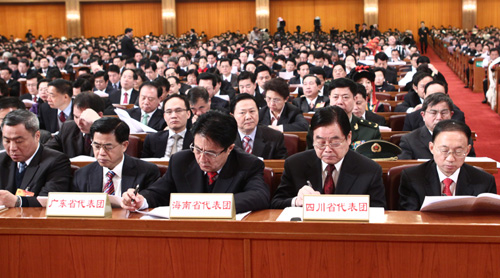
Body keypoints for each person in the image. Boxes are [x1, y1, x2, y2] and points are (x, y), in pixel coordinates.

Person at [121, 110, 270, 213]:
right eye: (198, 149)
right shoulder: (181, 161)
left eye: (211, 153)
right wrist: (141, 200)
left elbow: (259, 196)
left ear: (230, 148)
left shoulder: (248, 164)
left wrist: (206, 206)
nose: (202, 158)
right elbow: (159, 192)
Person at [271, 106, 386, 209]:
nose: (327, 149)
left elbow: (379, 212)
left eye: (335, 143)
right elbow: (276, 203)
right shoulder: (295, 164)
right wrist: (296, 201)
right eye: (320, 143)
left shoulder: (370, 169)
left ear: (348, 137)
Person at [399, 120, 496, 211]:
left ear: (467, 150)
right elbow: (409, 218)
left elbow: (487, 221)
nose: (450, 159)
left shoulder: (485, 182)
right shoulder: (412, 178)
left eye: (458, 151)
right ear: (432, 148)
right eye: (444, 150)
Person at [0, 109, 71, 207]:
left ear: (37, 136)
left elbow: (50, 201)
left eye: (19, 141)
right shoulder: (2, 159)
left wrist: (18, 201)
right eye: (7, 141)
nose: (12, 148)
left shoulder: (56, 161)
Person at [73, 117, 160, 195]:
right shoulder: (81, 175)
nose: (101, 152)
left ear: (124, 145)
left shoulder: (147, 172)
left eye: (108, 147)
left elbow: (151, 204)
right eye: (97, 146)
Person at [44, 92, 105, 158]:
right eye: (76, 117)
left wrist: (98, 123)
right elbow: (46, 150)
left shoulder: (108, 133)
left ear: (99, 116)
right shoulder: (68, 128)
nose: (79, 123)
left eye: (84, 118)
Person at [231, 94, 287, 159]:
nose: (248, 117)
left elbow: (280, 166)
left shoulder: (275, 137)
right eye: (242, 112)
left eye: (252, 111)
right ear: (232, 116)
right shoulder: (225, 138)